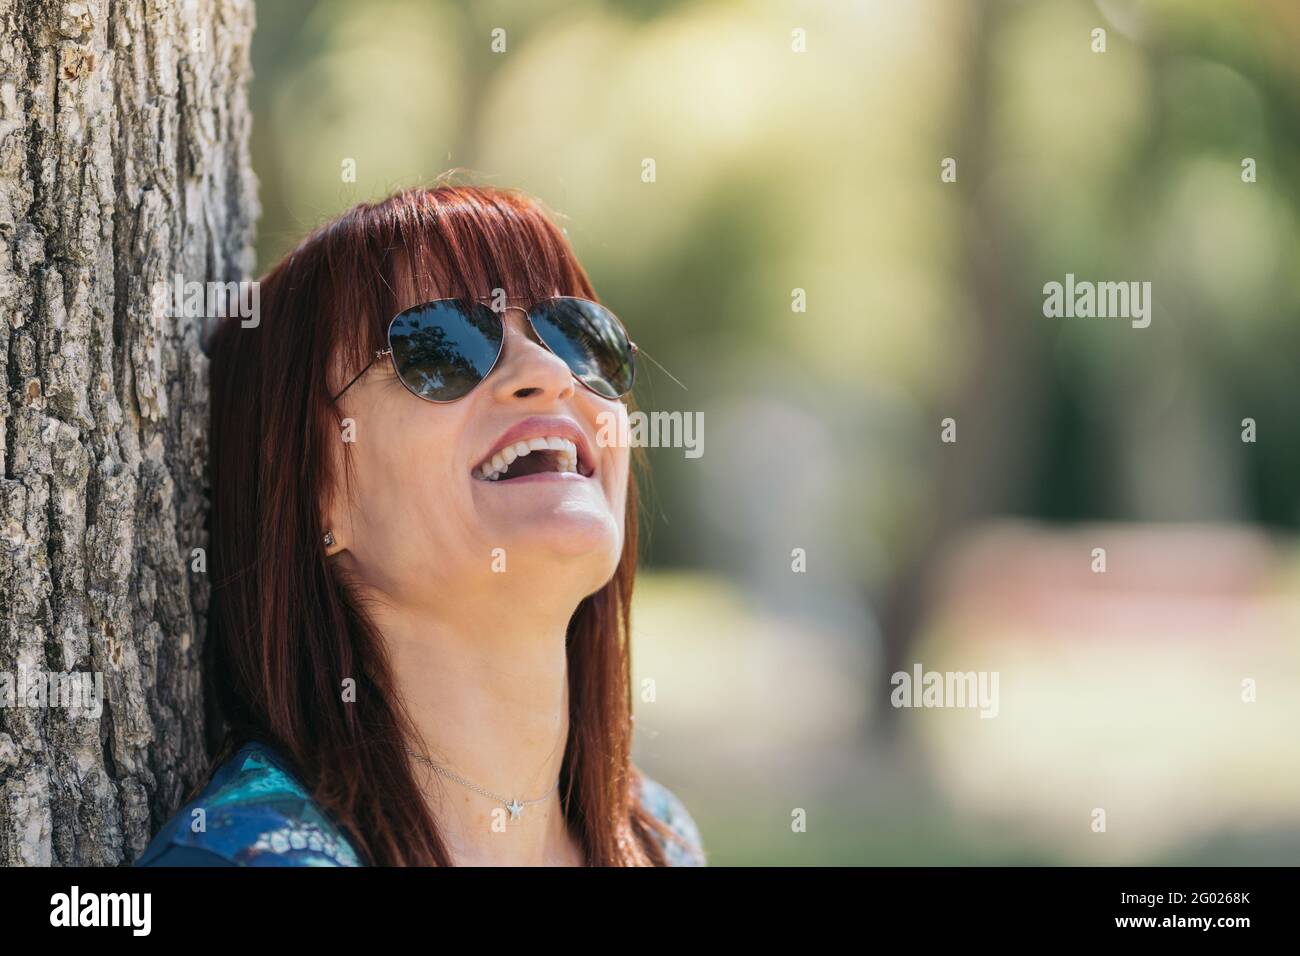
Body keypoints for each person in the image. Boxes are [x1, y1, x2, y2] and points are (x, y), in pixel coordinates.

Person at [136, 184, 705, 866]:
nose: (551, 373)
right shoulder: (251, 858)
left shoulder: (659, 839)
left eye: (581, 338)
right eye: (443, 346)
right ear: (311, 490)